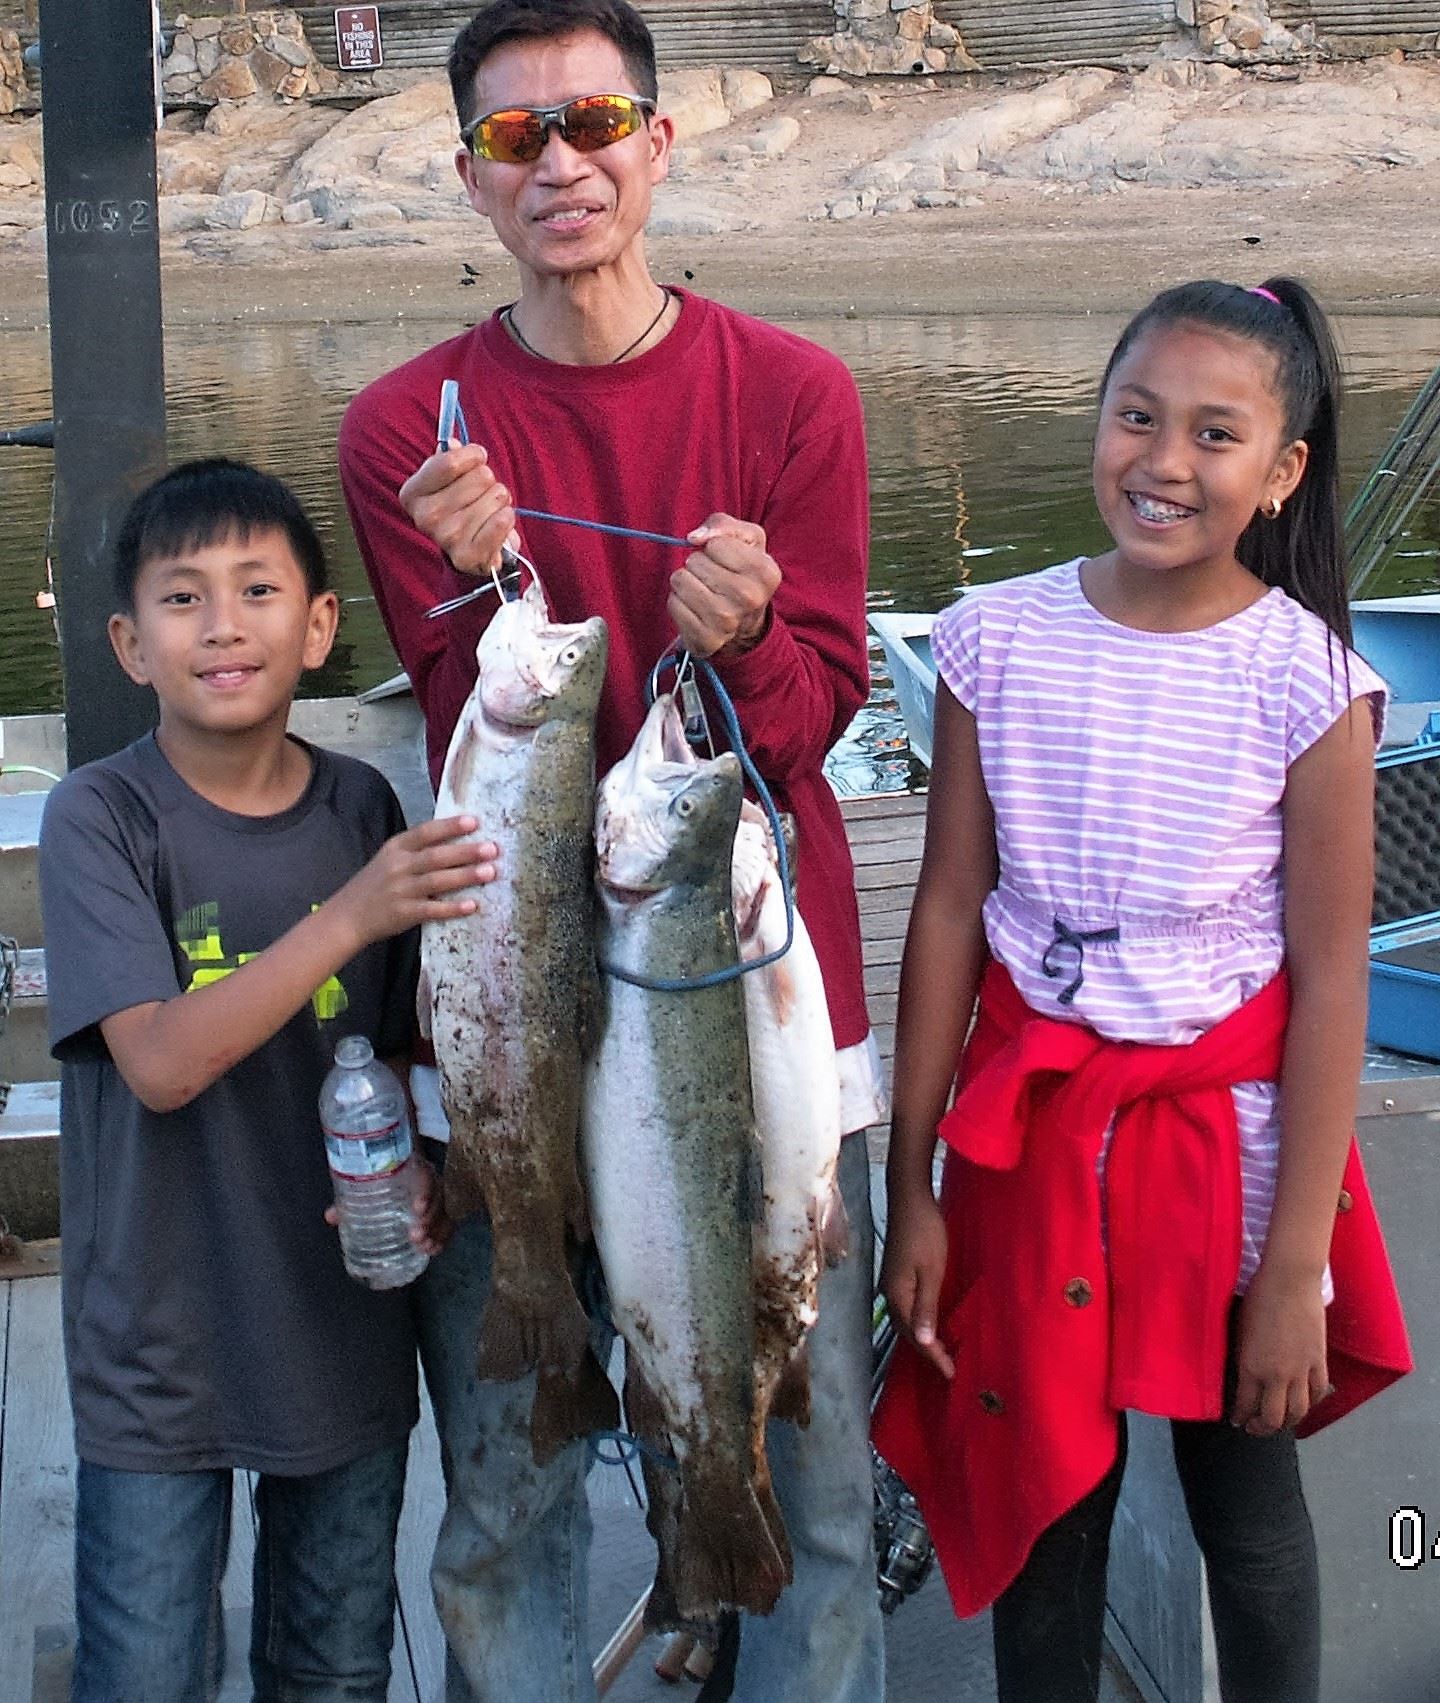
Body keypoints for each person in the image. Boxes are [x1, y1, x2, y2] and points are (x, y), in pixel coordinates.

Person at [337, 3, 885, 1699]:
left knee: (814, 1484)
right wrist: (473, 581)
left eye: (593, 123)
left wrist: (761, 633)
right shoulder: (407, 429)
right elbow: (481, 727)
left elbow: (809, 722)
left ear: (657, 140)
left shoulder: (795, 395)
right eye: (518, 137)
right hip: (513, 1013)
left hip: (745, 1001)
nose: (561, 164)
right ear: (471, 179)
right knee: (503, 1508)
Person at [873, 277, 1414, 1703]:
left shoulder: (1309, 683)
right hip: (1029, 1142)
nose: (1165, 461)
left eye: (1215, 434)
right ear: (1098, 418)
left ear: (1281, 471)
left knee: (1247, 1500)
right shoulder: (992, 636)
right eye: (1137, 416)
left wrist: (1291, 1269)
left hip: (1220, 1155)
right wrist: (913, 1182)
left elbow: (1329, 980)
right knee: (1045, 1504)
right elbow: (949, 908)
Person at [38, 458, 494, 1703]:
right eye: (182, 598)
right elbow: (159, 1062)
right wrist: (349, 914)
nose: (223, 625)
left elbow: (398, 1052)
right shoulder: (100, 818)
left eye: (257, 589)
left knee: (335, 1664)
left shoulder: (362, 807)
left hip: (341, 1327)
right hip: (159, 1340)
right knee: (145, 1669)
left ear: (321, 624)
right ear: (130, 644)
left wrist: (423, 1177)